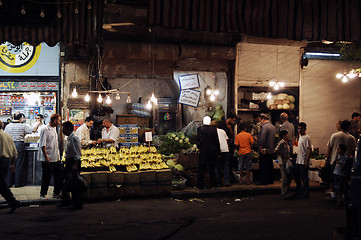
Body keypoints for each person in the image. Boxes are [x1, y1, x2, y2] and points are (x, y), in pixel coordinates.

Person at [4, 113, 40, 187]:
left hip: (9, 145)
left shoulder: (8, 126)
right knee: (19, 164)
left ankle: (8, 183)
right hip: (19, 145)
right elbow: (33, 130)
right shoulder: (23, 126)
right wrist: (38, 123)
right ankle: (18, 183)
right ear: (20, 118)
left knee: (10, 164)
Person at [325, 120, 356, 199]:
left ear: (340, 126)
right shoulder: (352, 138)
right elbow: (353, 151)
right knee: (344, 180)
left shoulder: (335, 135)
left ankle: (334, 194)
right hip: (346, 163)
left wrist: (327, 159)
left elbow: (329, 148)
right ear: (348, 127)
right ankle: (342, 195)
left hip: (335, 161)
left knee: (333, 179)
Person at [58, 121, 83, 210]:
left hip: (73, 163)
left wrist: (75, 164)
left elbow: (77, 153)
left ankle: (77, 204)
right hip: (69, 162)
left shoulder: (74, 138)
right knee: (63, 180)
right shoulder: (70, 138)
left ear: (69, 129)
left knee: (74, 184)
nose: (63, 131)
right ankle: (66, 201)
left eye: (64, 129)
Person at [38, 113, 62, 200]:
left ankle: (56, 193)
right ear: (54, 120)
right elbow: (42, 144)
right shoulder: (45, 129)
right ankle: (42, 194)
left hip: (56, 157)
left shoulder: (54, 128)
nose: (59, 122)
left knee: (58, 176)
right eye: (59, 120)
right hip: (48, 158)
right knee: (46, 177)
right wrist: (46, 157)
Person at [0, 120, 20, 214]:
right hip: (7, 160)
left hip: (0, 160)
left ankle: (13, 202)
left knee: (2, 184)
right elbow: (14, 151)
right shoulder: (7, 135)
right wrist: (12, 163)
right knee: (2, 182)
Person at [196, 116, 220, 189]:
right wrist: (218, 152)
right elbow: (217, 142)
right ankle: (213, 185)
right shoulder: (214, 130)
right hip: (212, 152)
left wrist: (198, 147)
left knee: (201, 169)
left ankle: (200, 185)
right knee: (212, 169)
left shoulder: (200, 129)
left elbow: (198, 140)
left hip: (203, 152)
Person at [257, 113, 276, 185]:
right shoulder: (272, 127)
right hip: (271, 149)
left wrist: (261, 148)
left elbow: (262, 138)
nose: (260, 122)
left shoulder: (264, 127)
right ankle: (270, 180)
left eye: (260, 120)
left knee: (263, 166)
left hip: (265, 150)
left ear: (263, 119)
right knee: (270, 165)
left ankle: (263, 181)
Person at [295, 122, 311, 198]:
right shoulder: (300, 137)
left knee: (304, 178)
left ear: (305, 129)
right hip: (299, 160)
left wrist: (306, 161)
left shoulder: (307, 137)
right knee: (299, 177)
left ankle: (305, 193)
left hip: (303, 160)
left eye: (301, 129)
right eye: (298, 128)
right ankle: (301, 191)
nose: (299, 130)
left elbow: (309, 150)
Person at [275, 130, 291, 199]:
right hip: (282, 162)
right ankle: (283, 192)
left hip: (286, 161)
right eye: (287, 134)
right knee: (284, 177)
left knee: (287, 177)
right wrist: (283, 155)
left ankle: (286, 191)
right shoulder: (281, 142)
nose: (288, 136)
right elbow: (276, 150)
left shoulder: (286, 143)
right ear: (284, 136)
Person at [215, 121, 231, 187]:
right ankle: (227, 182)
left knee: (218, 167)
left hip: (218, 151)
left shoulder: (213, 131)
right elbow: (227, 140)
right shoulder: (223, 131)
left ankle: (219, 182)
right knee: (226, 166)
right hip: (226, 150)